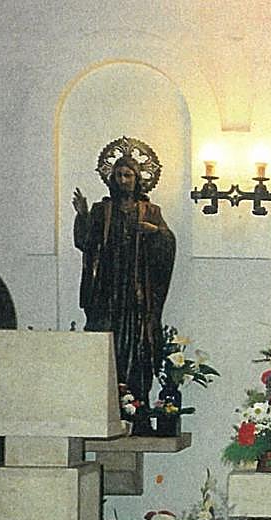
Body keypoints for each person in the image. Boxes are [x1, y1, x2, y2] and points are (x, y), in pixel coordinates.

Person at [74, 153, 176, 405]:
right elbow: (85, 243)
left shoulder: (151, 211)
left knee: (138, 344)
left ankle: (136, 403)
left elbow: (167, 244)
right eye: (118, 175)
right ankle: (109, 404)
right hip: (108, 291)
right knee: (109, 344)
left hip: (138, 291)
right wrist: (83, 216)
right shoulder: (102, 210)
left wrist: (155, 232)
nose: (123, 180)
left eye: (128, 175)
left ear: (137, 179)